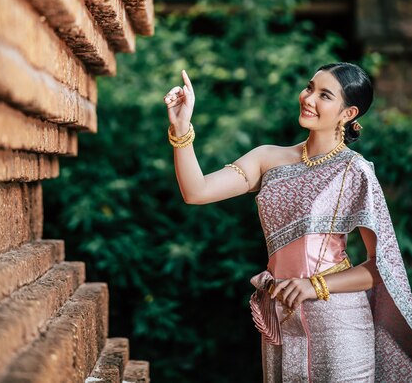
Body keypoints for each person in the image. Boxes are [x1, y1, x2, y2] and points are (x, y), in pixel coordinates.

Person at [164, 62, 412, 382]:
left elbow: (382, 267)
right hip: (280, 314)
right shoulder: (268, 157)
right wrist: (182, 129)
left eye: (324, 95)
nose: (308, 98)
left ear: (348, 114)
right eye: (309, 87)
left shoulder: (355, 170)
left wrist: (314, 285)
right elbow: (197, 192)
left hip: (338, 319)